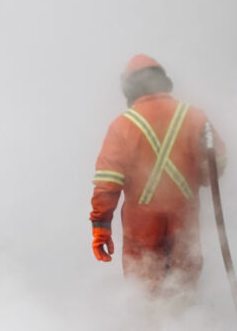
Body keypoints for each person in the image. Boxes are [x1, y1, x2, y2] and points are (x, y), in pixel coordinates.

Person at [89, 54, 224, 294]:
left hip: (142, 227)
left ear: (129, 88)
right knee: (184, 289)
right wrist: (197, 176)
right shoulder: (194, 117)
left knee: (145, 293)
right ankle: (188, 319)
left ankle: (151, 320)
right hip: (185, 221)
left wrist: (101, 226)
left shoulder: (122, 125)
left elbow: (107, 182)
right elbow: (217, 163)